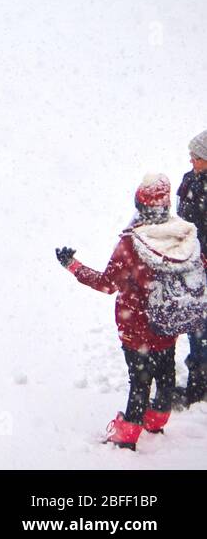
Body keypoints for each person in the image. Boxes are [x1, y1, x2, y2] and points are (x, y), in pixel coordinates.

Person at [56, 174, 202, 450]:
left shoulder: (132, 245)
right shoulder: (184, 237)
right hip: (168, 322)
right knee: (166, 374)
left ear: (140, 205)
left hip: (137, 328)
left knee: (140, 381)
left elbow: (106, 284)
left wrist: (73, 265)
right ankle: (157, 420)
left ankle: (127, 436)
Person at [178, 130, 207, 404]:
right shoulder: (189, 179)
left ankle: (200, 384)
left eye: (197, 157)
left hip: (202, 262)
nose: (192, 161)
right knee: (194, 319)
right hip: (188, 262)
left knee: (201, 323)